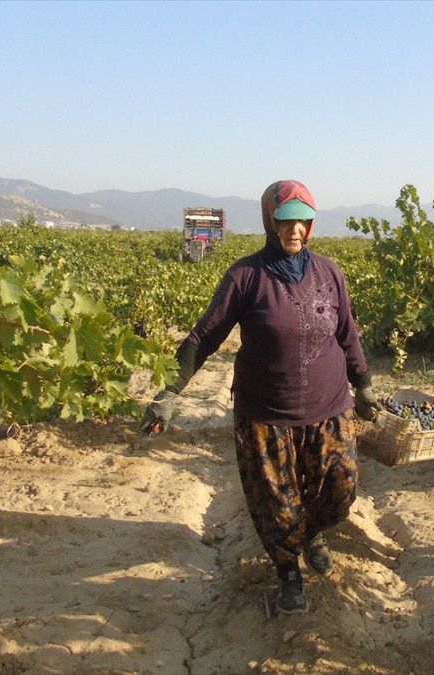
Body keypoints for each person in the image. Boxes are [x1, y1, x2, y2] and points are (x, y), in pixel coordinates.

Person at [141, 179, 379, 614]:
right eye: (285, 221)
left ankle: (314, 532)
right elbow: (205, 335)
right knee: (278, 503)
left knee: (342, 488)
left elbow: (347, 332)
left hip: (328, 408)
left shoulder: (330, 273)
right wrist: (170, 390)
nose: (295, 231)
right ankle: (288, 571)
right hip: (267, 414)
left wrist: (362, 384)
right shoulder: (245, 276)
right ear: (270, 221)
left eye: (302, 222)